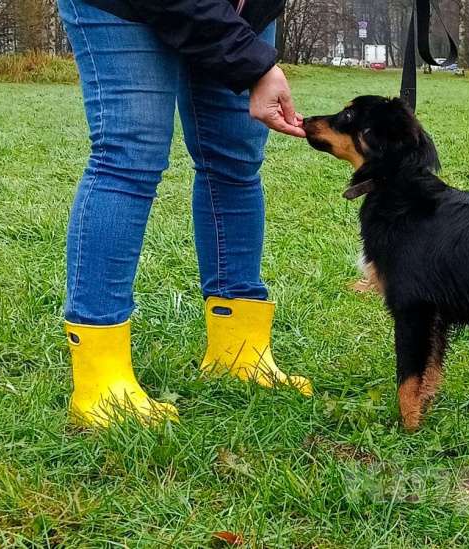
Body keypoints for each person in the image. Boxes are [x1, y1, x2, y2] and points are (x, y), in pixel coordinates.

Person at [58, 0, 312, 429]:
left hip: (240, 11)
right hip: (120, 8)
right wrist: (253, 64)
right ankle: (100, 379)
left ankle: (239, 349)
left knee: (234, 160)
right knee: (129, 156)